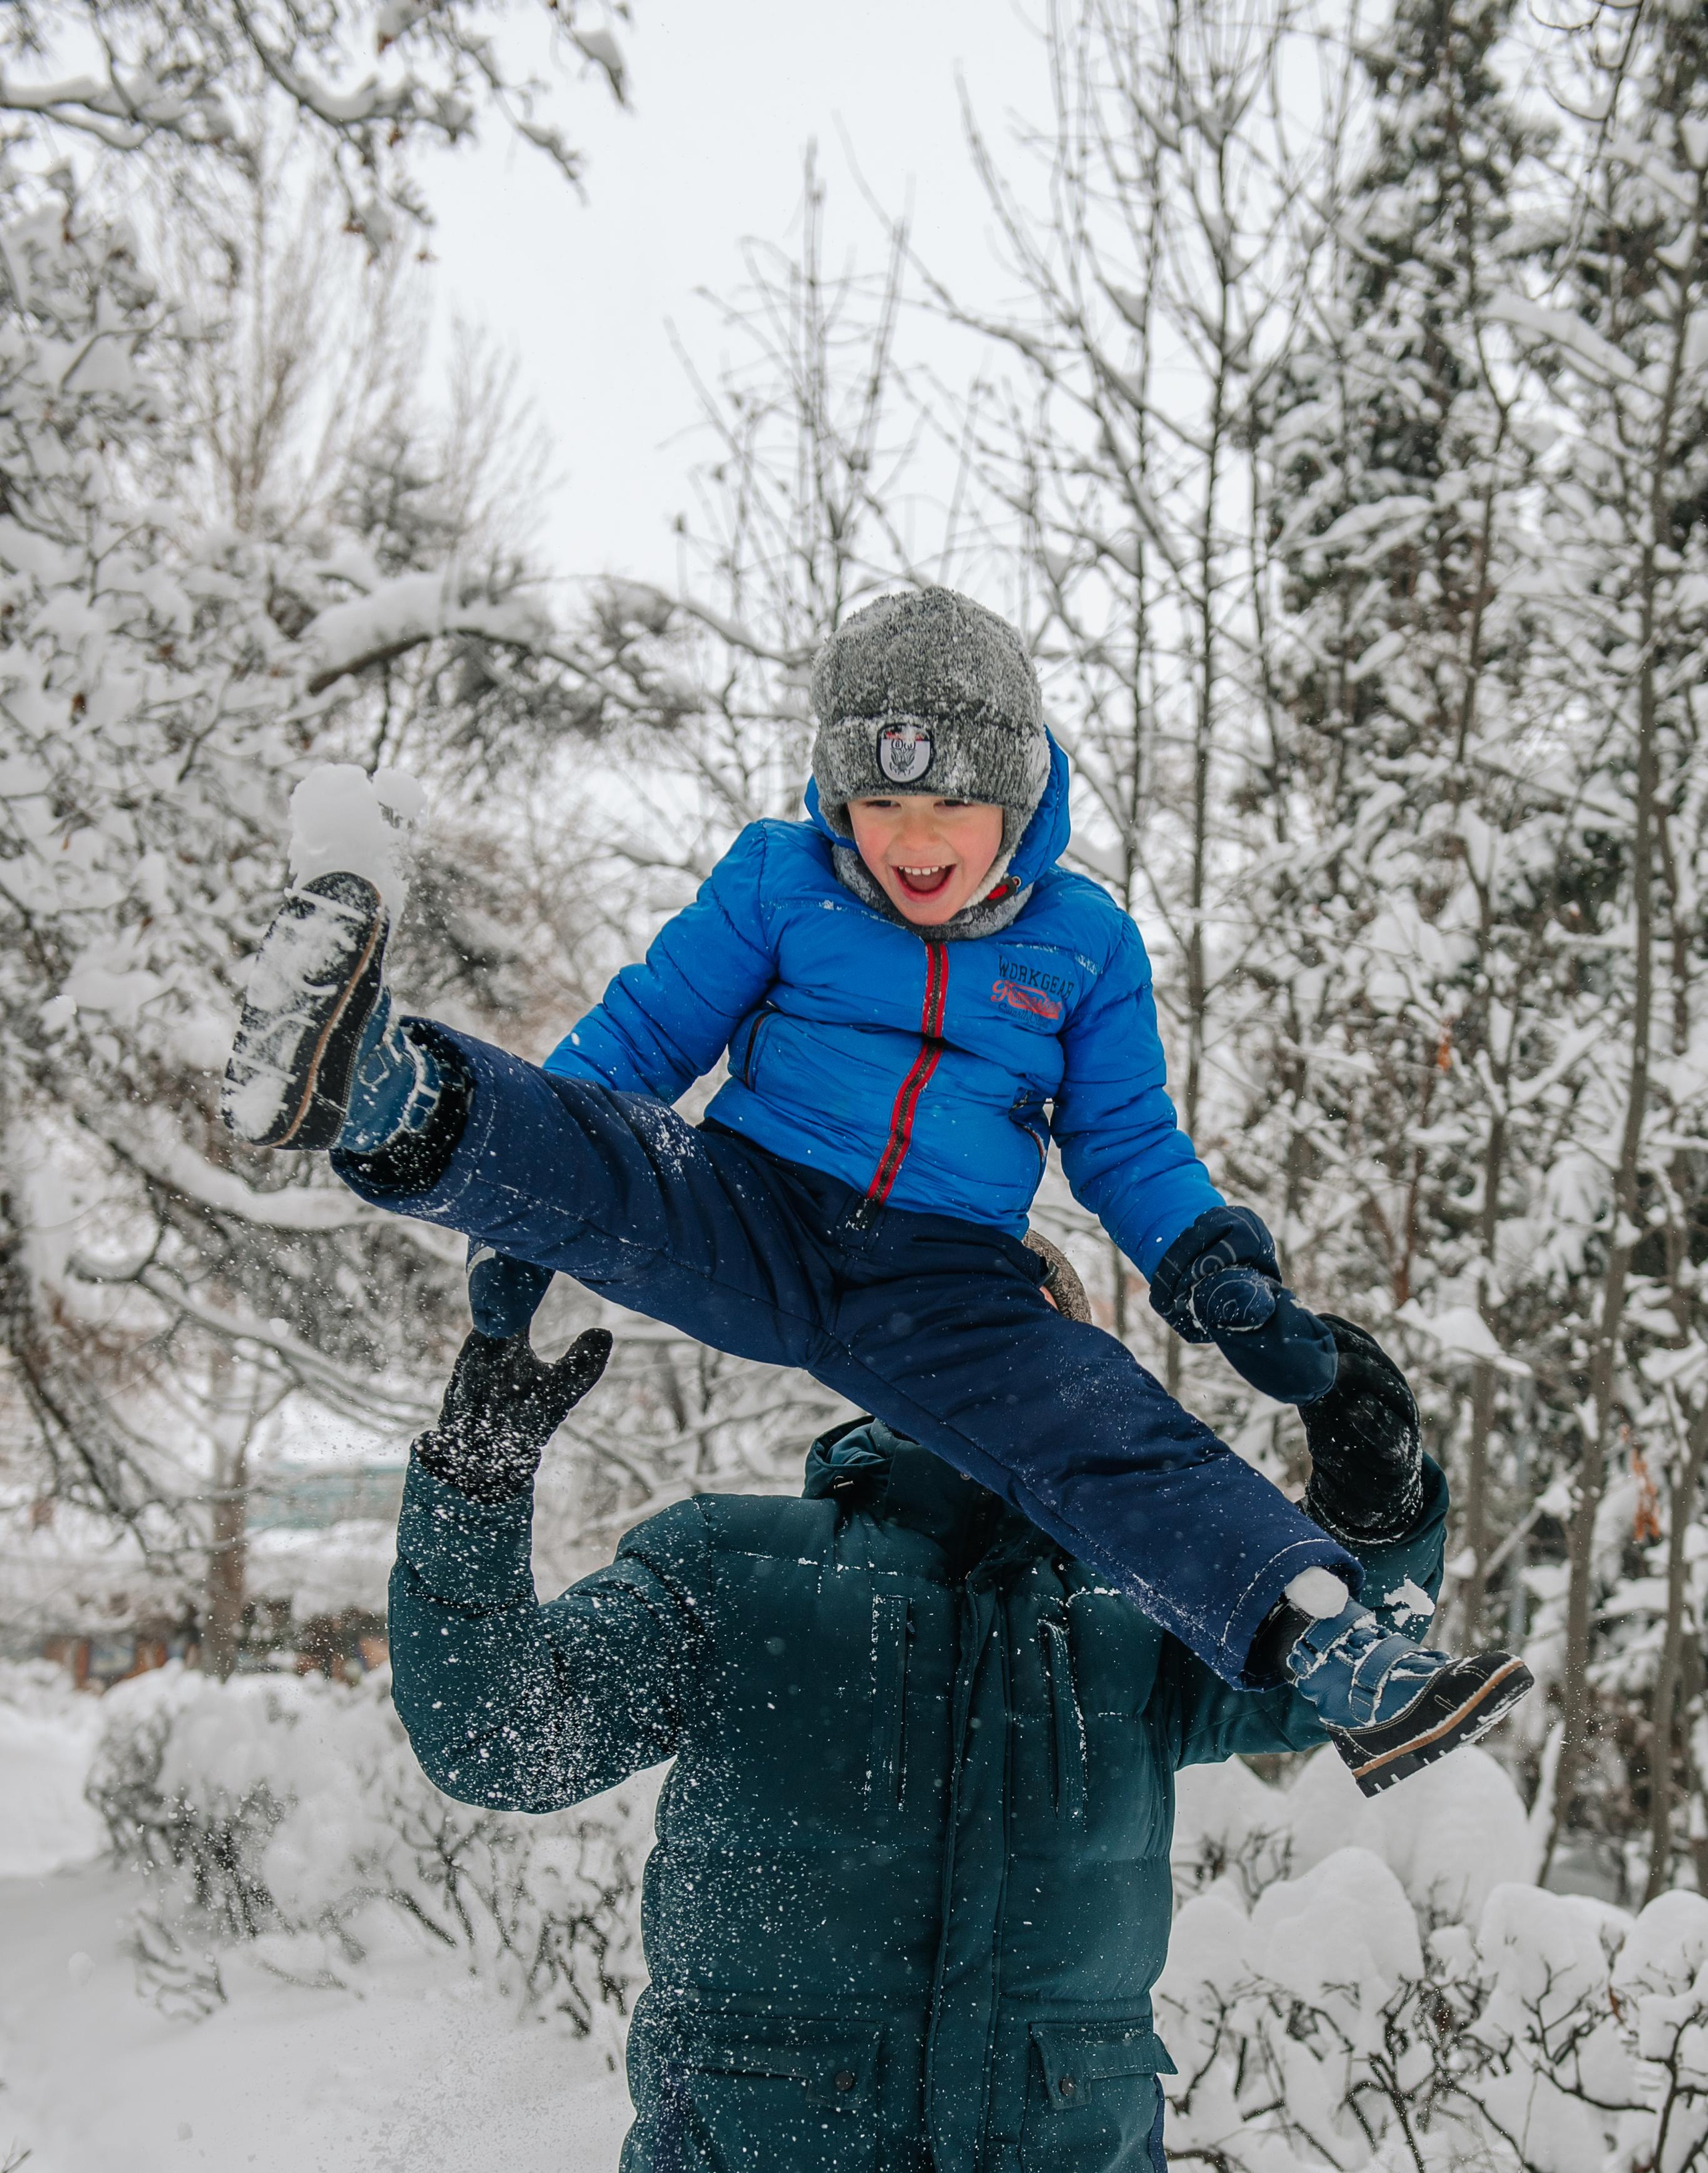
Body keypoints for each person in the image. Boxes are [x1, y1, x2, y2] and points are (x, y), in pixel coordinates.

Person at [222, 584, 1529, 1767]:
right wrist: (523, 1216)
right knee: (618, 1163)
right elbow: (638, 1043)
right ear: (834, 793)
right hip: (754, 1204)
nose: (912, 839)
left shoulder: (1084, 945)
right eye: (880, 801)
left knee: (1102, 1417)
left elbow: (1126, 1143)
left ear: (1017, 800)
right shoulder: (779, 883)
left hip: (950, 1278)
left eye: (949, 804)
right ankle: (381, 1088)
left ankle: (1329, 1639)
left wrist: (1209, 1262)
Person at [388, 1244, 1462, 2173]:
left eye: (1047, 1342)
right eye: (969, 1331)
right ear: (888, 1353)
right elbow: (498, 1733)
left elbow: (1361, 1671)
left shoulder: (1141, 1613)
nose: (1012, 1372)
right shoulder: (731, 1572)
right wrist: (476, 1479)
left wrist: (1372, 1497)